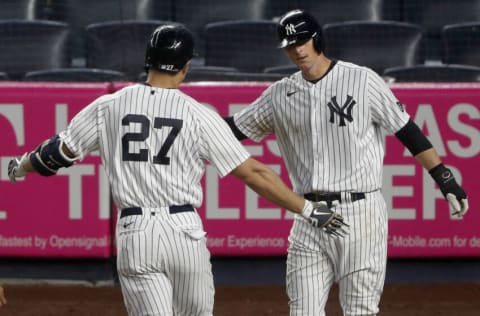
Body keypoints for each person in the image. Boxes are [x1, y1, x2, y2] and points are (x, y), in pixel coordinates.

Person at [7, 24, 348, 316]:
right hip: (184, 231)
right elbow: (254, 173)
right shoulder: (198, 113)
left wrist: (20, 166)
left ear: (147, 61)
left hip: (135, 230)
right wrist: (306, 208)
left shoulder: (110, 105)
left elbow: (56, 154)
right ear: (186, 67)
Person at [224, 9, 469, 316]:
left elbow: (408, 131)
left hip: (360, 215)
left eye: (303, 41)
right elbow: (231, 129)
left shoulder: (362, 80)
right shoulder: (280, 94)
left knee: (359, 311)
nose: (298, 50)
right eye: (290, 44)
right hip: (309, 215)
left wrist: (445, 179)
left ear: (317, 39)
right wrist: (189, 123)